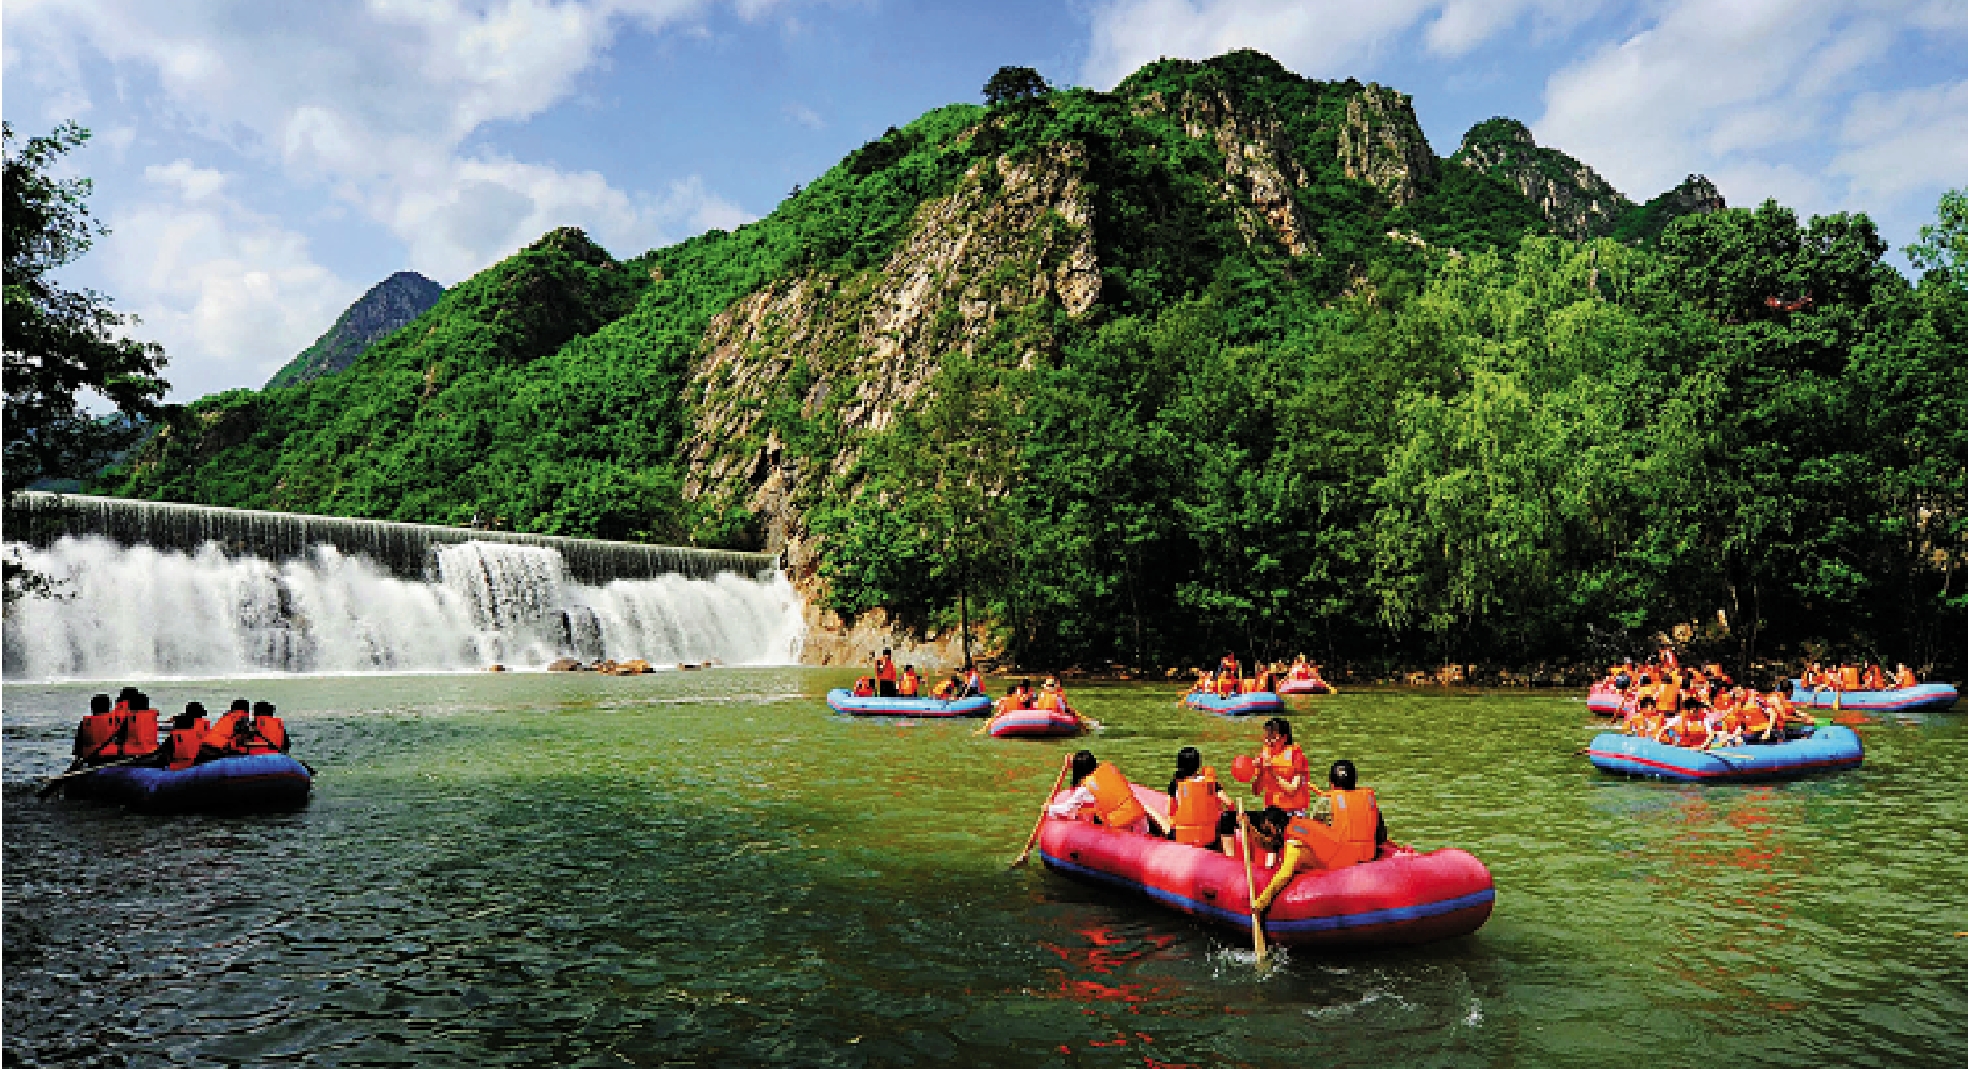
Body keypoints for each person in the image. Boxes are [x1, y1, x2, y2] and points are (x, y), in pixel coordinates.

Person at [1251, 760, 1387, 912]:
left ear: (1331, 783)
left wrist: (1259, 904)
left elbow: (1315, 833)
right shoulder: (1369, 800)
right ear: (1354, 781)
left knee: (1297, 856)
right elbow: (1381, 835)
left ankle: (1266, 896)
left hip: (1339, 862)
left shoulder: (1326, 802)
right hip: (1368, 857)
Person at [1047, 751, 1163, 835]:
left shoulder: (1086, 788)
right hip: (1140, 818)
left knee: (1098, 818)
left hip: (1122, 825)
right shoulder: (1108, 769)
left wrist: (1049, 808)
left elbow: (1067, 809)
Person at [1165, 747, 1237, 853]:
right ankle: (1229, 855)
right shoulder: (1210, 783)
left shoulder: (1174, 784)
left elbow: (1171, 812)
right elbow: (1229, 803)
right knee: (1227, 817)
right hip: (1209, 837)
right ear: (1198, 765)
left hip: (1183, 838)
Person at [1251, 717, 1310, 815]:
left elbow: (1292, 790)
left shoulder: (1295, 755)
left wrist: (1272, 772)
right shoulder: (1264, 754)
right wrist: (1261, 771)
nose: (1268, 741)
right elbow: (1256, 791)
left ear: (1284, 738)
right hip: (1271, 811)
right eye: (1266, 737)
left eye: (1273, 737)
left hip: (1292, 812)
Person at [160, 702, 210, 770]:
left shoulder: (174, 736)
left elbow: (165, 752)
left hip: (177, 767)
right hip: (198, 764)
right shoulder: (204, 729)